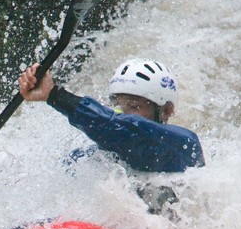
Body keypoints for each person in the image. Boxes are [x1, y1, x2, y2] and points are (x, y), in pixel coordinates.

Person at [18, 58, 204, 213]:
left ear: (166, 111)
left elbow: (125, 129)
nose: (122, 112)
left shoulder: (184, 146)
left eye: (133, 106)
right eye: (117, 105)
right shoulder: (91, 159)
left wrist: (55, 96)